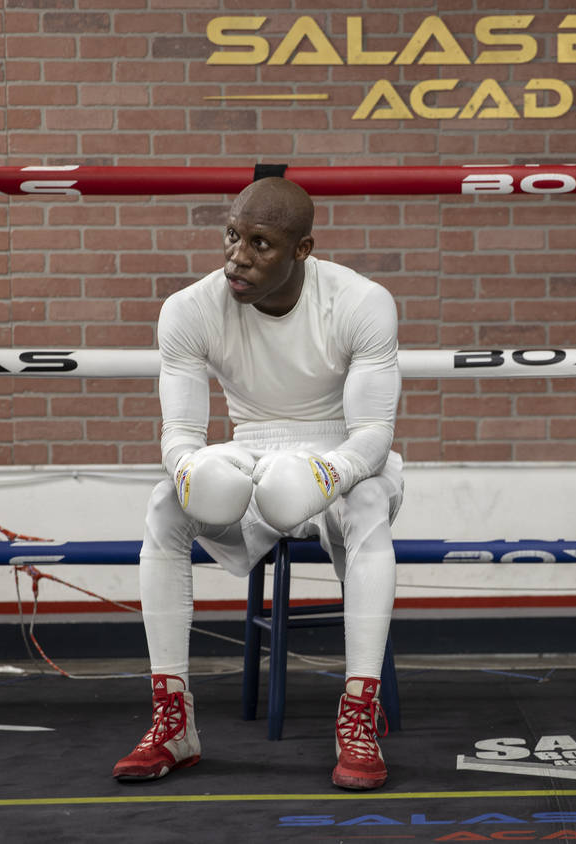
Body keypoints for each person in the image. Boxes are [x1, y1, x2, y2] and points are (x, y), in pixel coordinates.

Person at [111, 177, 403, 790]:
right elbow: (181, 434)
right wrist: (191, 472)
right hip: (249, 450)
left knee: (371, 499)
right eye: (232, 235)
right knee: (166, 503)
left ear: (302, 249)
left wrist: (328, 474)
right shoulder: (190, 309)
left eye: (261, 243)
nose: (237, 256)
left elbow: (373, 433)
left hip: (340, 453)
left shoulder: (360, 301)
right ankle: (173, 720)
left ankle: (359, 713)